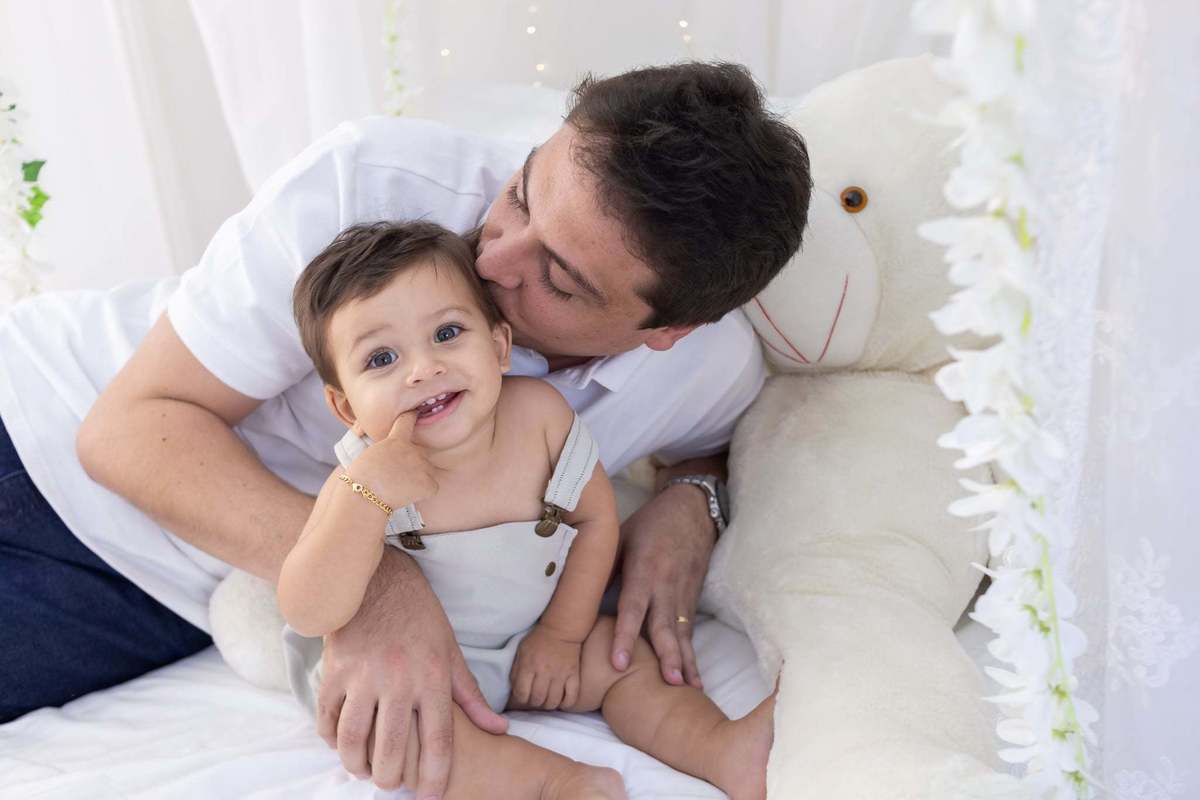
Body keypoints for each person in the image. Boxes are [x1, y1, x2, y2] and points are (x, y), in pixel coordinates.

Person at [0, 61, 810, 796]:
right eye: (522, 194)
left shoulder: (706, 370)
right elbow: (127, 431)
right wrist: (379, 588)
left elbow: (707, 444)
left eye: (557, 278)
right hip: (43, 440)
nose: (493, 260)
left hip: (167, 594)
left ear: (668, 330)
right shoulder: (371, 183)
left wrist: (691, 497)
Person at [276, 219, 774, 798]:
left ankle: (722, 750)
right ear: (345, 407)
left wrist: (562, 637)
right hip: (408, 670)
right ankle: (553, 785)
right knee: (409, 738)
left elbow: (594, 521)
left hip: (533, 639)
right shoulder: (359, 478)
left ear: (499, 346)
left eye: (446, 333)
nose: (422, 369)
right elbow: (309, 610)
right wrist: (365, 497)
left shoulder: (539, 420)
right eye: (382, 358)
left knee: (624, 658)